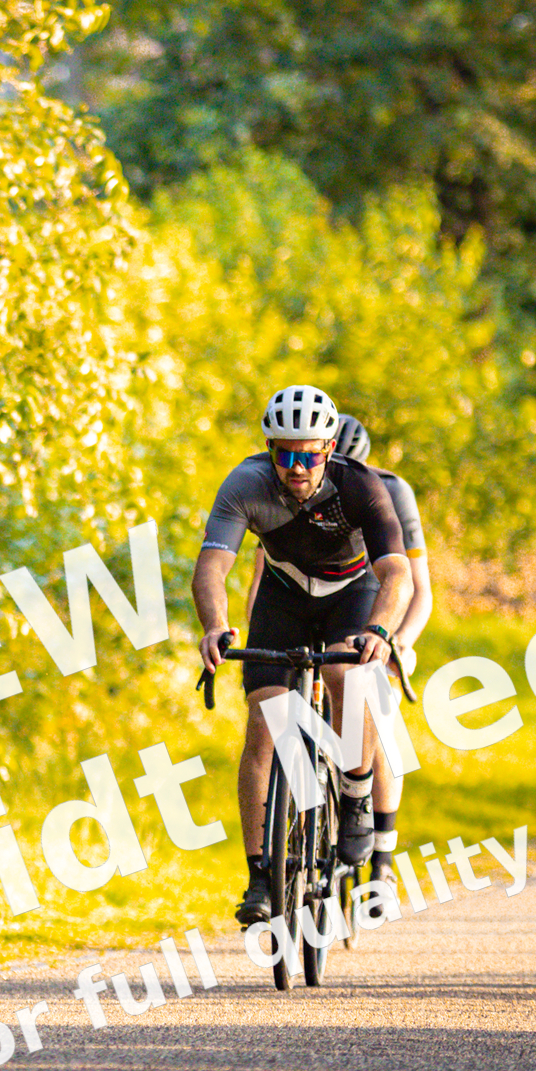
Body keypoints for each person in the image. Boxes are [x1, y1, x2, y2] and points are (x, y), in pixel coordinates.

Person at [191, 383, 412, 925]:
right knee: (265, 723)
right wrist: (217, 626)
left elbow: (397, 573)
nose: (296, 467)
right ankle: (261, 876)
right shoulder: (245, 483)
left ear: (329, 448)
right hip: (284, 597)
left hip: (351, 594)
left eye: (309, 455)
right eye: (284, 454)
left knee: (347, 677)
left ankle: (356, 794)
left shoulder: (359, 485)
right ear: (270, 450)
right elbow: (212, 566)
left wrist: (380, 631)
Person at [326, 416, 431, 882]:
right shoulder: (295, 491)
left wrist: (399, 642)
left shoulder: (389, 491)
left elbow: (419, 587)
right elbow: (260, 581)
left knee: (378, 709)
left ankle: (382, 861)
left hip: (378, 603)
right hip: (320, 605)